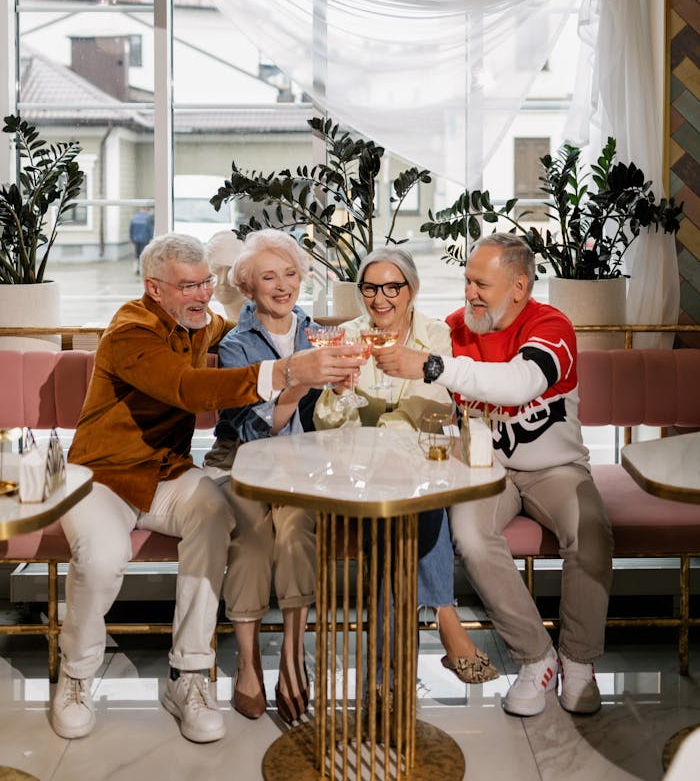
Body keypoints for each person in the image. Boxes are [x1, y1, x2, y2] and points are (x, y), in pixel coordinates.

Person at [50, 233, 363, 744]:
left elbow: (244, 328)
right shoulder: (130, 332)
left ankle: (189, 677)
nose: (200, 295)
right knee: (103, 557)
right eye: (187, 286)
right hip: (101, 476)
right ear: (154, 289)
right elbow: (189, 389)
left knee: (216, 511)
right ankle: (77, 678)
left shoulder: (202, 322)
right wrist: (287, 371)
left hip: (166, 473)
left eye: (205, 283)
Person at [375, 233, 614, 718]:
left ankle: (579, 659)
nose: (469, 293)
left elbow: (517, 384)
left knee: (590, 533)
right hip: (487, 470)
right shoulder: (457, 329)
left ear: (520, 286)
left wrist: (433, 366)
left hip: (556, 468)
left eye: (481, 283)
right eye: (466, 280)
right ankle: (536, 658)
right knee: (470, 535)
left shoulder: (551, 326)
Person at [314, 246, 499, 689]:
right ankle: (446, 619)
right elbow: (326, 423)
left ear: (411, 289)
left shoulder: (435, 336)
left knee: (399, 531)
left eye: (392, 287)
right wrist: (341, 393)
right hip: (359, 470)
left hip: (414, 467)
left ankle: (382, 677)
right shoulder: (349, 337)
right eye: (370, 288)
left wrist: (412, 375)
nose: (380, 299)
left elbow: (438, 409)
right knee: (406, 511)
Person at [203, 229, 326, 724]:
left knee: (297, 529)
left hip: (303, 466)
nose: (282, 286)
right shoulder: (236, 344)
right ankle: (249, 662)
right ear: (248, 289)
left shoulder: (319, 335)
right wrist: (296, 382)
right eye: (268, 277)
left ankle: (294, 657)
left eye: (290, 274)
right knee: (252, 538)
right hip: (244, 463)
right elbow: (252, 428)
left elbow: (334, 416)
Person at [129, 208, 154, 273]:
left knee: (137, 254)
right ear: (145, 210)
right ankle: (143, 270)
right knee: (144, 254)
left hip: (136, 239)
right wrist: (151, 238)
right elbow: (150, 229)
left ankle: (137, 269)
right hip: (145, 239)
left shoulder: (134, 217)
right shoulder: (148, 218)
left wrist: (131, 238)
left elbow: (131, 229)